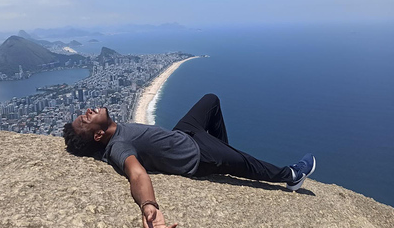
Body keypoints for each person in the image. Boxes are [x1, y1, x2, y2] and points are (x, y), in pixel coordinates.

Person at [63, 94, 316, 228]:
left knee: (211, 100)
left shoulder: (115, 132)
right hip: (197, 155)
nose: (87, 112)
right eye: (85, 120)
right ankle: (291, 176)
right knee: (247, 164)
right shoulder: (118, 147)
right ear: (98, 135)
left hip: (184, 134)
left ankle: (224, 150)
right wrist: (149, 207)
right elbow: (137, 174)